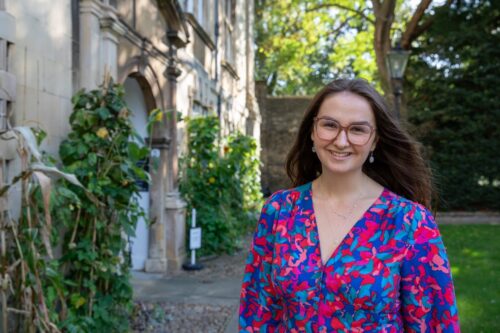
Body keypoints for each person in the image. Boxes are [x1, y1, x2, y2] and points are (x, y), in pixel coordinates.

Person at [239, 79, 460, 332]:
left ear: (375, 140)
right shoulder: (279, 211)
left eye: (357, 129)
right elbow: (257, 314)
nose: (341, 141)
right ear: (312, 131)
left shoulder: (409, 222)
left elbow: (435, 324)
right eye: (330, 125)